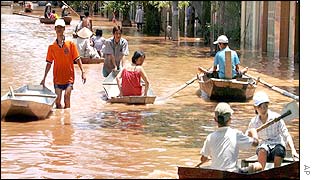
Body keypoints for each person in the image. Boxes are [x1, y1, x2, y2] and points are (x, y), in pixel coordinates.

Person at [197, 102, 262, 173]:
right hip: (233, 173)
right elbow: (256, 143)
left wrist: (207, 158)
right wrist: (254, 132)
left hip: (216, 174)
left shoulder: (210, 137)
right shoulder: (236, 134)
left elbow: (203, 159)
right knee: (258, 166)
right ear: (230, 119)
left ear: (215, 120)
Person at [245, 91, 299, 170]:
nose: (263, 109)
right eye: (260, 107)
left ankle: (276, 172)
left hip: (277, 144)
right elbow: (247, 137)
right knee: (262, 151)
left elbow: (286, 135)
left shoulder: (276, 117)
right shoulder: (254, 122)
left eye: (265, 106)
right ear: (255, 108)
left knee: (278, 151)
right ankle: (261, 172)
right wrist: (250, 134)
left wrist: (293, 150)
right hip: (264, 146)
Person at [40, 19, 86, 109]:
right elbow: (49, 63)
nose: (59, 29)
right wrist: (44, 78)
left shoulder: (70, 44)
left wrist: (83, 72)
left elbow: (77, 58)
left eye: (61, 27)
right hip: (57, 78)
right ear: (55, 29)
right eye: (57, 27)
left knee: (66, 98)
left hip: (69, 77)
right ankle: (60, 120)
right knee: (57, 102)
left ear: (64, 29)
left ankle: (67, 119)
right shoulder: (52, 47)